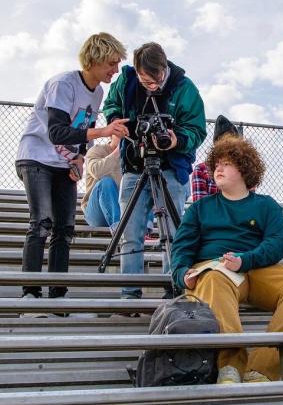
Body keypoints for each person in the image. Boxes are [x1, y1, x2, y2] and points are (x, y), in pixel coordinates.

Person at [171, 136, 283, 384]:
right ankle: (230, 366)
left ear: (244, 169)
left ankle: (260, 369)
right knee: (214, 278)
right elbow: (182, 248)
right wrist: (181, 274)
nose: (218, 168)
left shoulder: (266, 205)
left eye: (227, 164)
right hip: (216, 268)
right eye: (216, 164)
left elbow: (277, 243)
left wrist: (245, 260)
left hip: (257, 267)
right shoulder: (200, 208)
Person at [15, 32, 129, 311]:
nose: (115, 70)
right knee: (41, 223)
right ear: (95, 60)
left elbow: (82, 130)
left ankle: (58, 294)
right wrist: (103, 132)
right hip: (37, 158)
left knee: (65, 228)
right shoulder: (63, 84)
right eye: (111, 63)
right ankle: (30, 292)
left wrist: (79, 157)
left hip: (64, 163)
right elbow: (56, 132)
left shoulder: (98, 92)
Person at [101, 42, 207, 302]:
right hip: (134, 165)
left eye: (156, 79)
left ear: (164, 67)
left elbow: (197, 129)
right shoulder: (126, 80)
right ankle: (129, 295)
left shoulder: (184, 88)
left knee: (172, 233)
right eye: (145, 80)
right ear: (137, 70)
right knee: (130, 234)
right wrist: (116, 122)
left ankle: (174, 292)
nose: (151, 86)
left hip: (172, 168)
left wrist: (176, 140)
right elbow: (111, 104)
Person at [191, 115, 239, 202]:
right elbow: (200, 205)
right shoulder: (201, 169)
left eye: (232, 142)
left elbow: (249, 201)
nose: (228, 147)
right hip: (212, 211)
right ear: (216, 144)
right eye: (223, 142)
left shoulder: (244, 168)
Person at [81, 135, 122, 234]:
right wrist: (118, 151)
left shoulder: (131, 155)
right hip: (96, 213)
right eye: (119, 133)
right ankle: (119, 230)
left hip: (123, 210)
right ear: (111, 134)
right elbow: (97, 172)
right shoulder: (97, 150)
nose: (123, 136)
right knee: (106, 182)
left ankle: (145, 230)